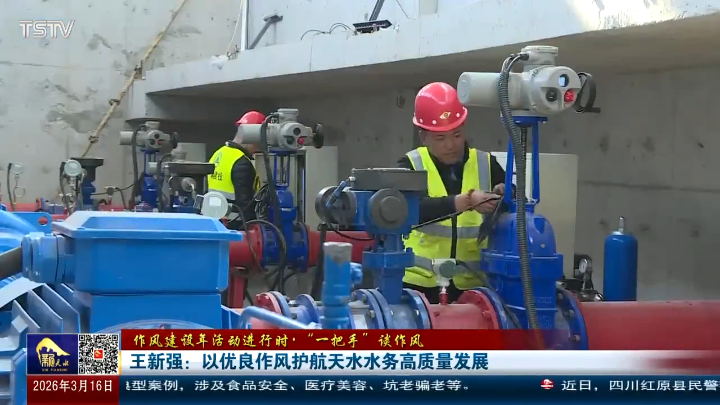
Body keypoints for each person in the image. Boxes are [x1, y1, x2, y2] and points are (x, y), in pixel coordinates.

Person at [397, 82, 512, 304]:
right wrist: (466, 201)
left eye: (457, 135)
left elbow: (515, 205)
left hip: (471, 285)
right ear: (423, 136)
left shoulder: (485, 163)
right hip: (419, 285)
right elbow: (410, 210)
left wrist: (505, 194)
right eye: (440, 138)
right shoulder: (410, 165)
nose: (450, 145)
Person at [207, 111, 263, 230]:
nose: (258, 146)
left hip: (215, 222)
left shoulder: (218, 153)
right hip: (235, 225)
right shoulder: (241, 162)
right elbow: (245, 203)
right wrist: (253, 227)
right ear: (253, 136)